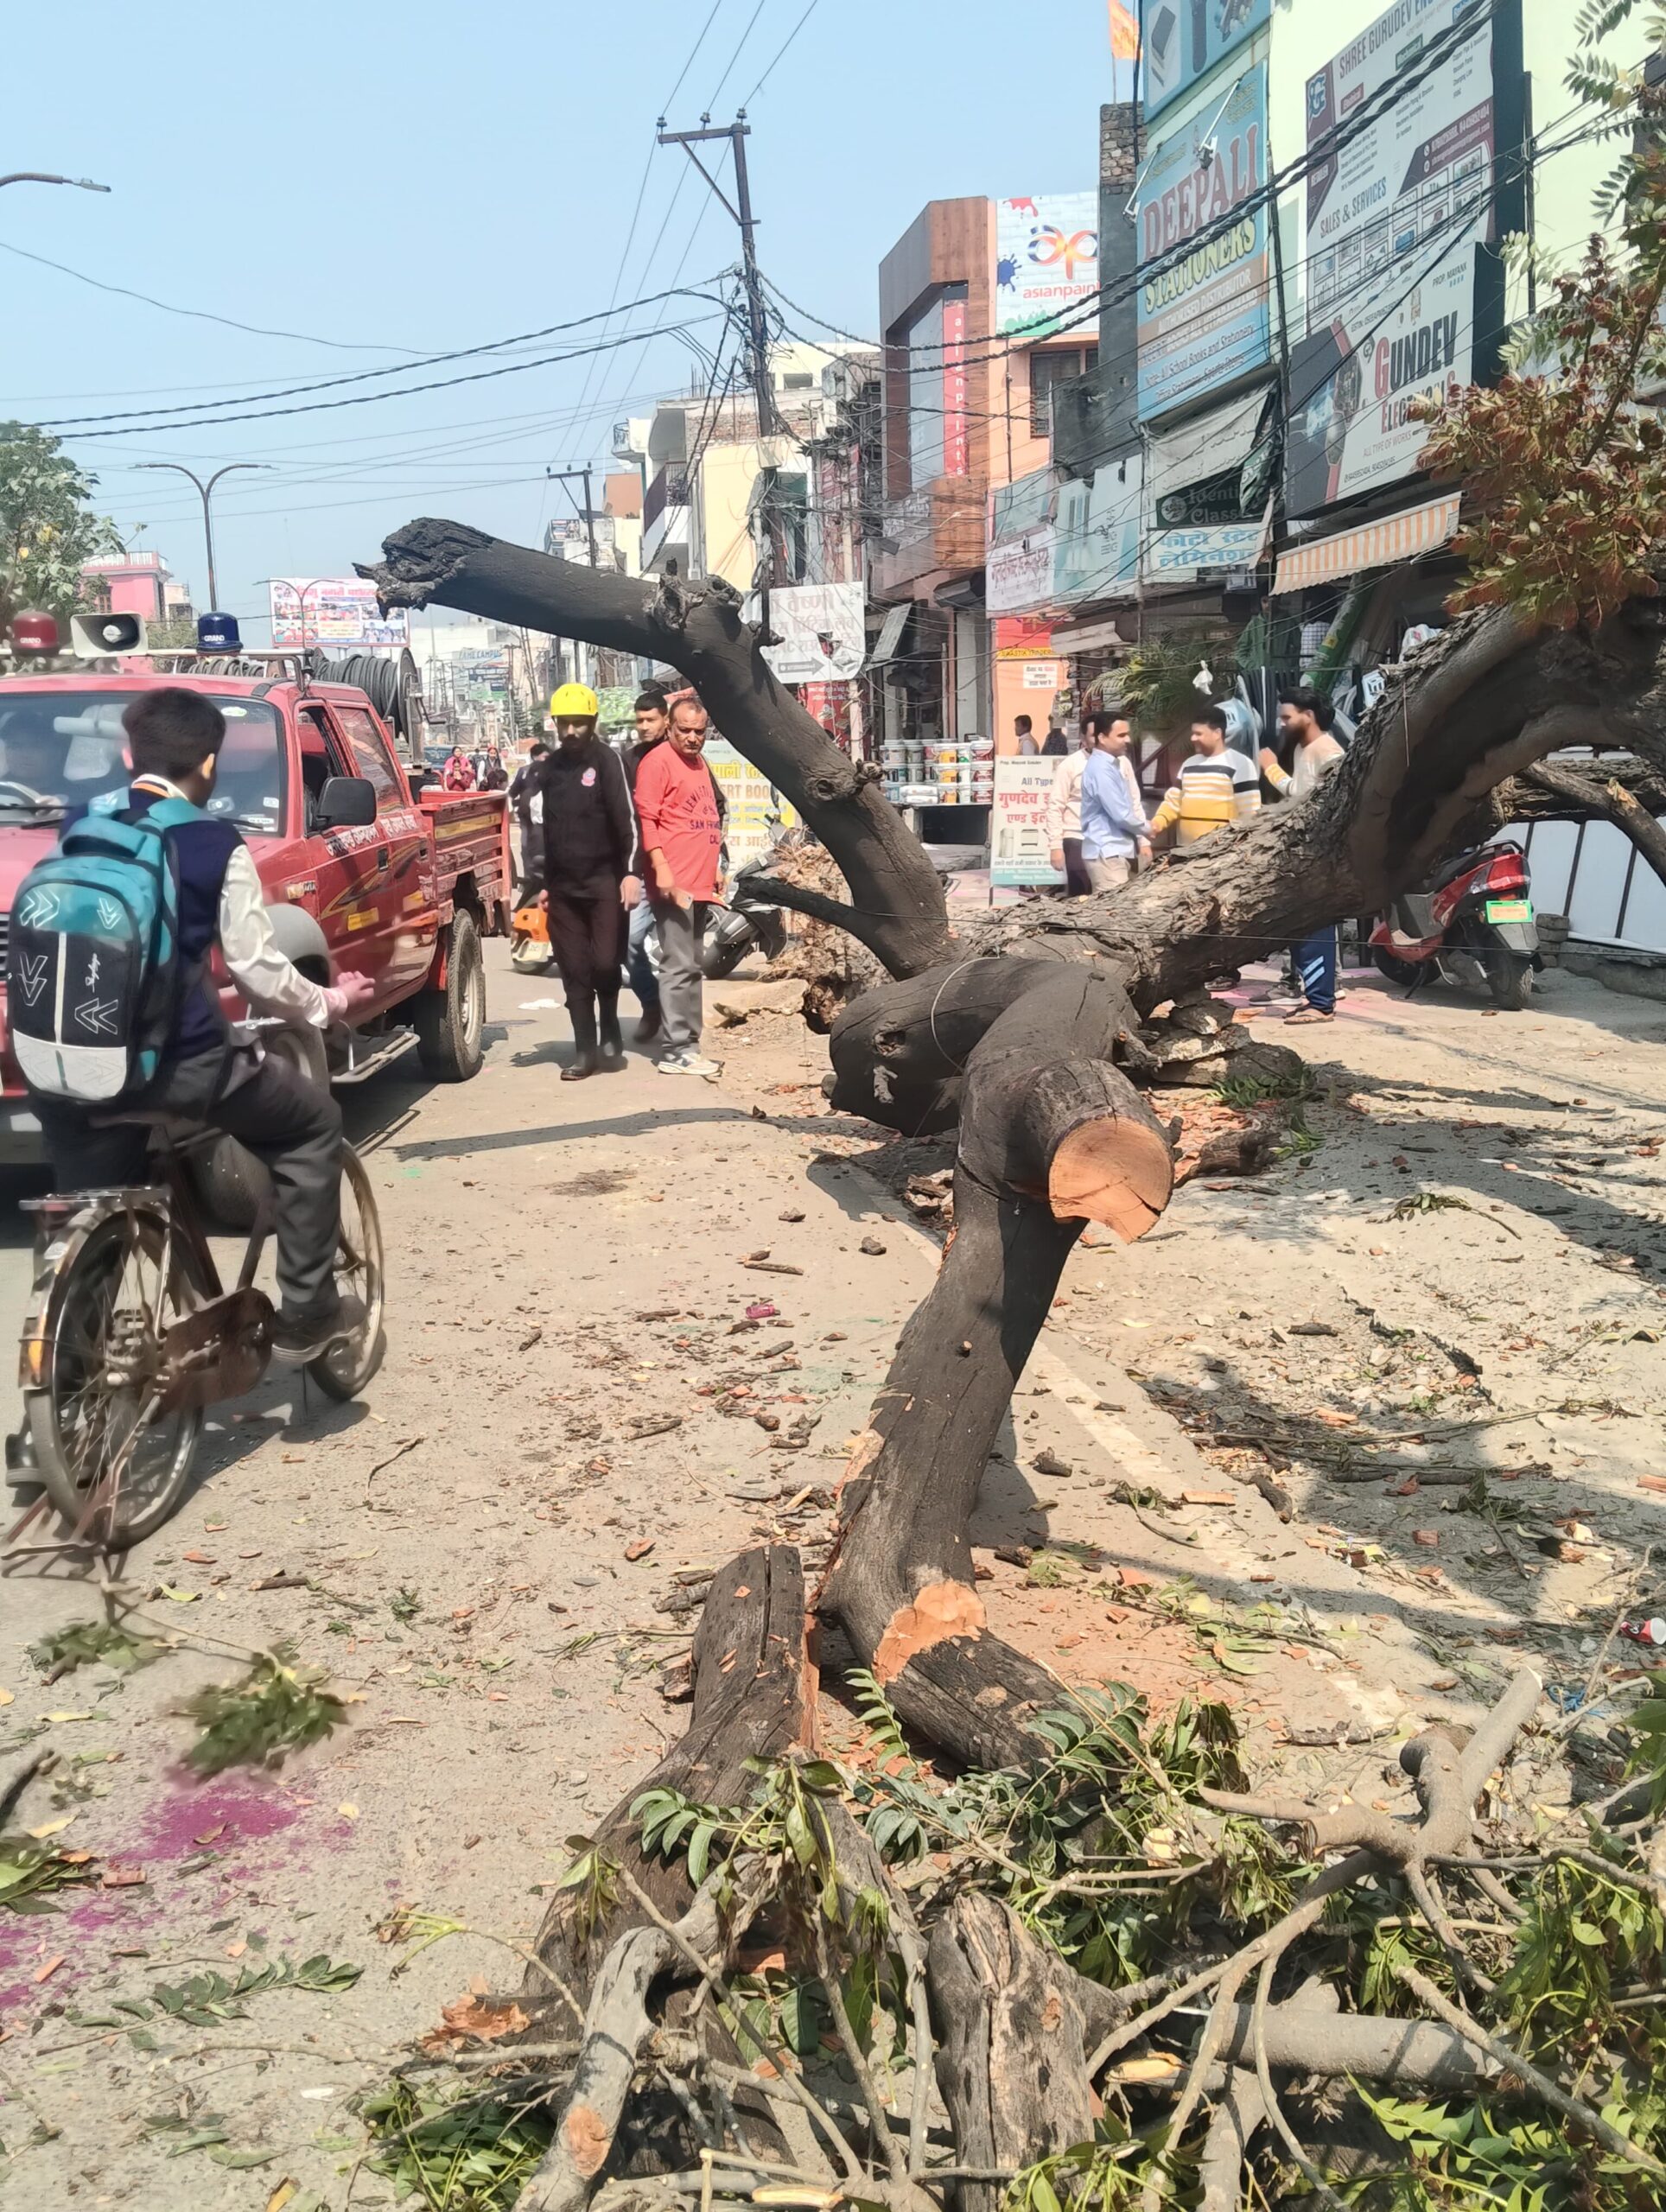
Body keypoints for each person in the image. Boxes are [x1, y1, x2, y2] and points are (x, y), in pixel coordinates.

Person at [29, 689, 374, 1356]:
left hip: (63, 1068)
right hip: (179, 1064)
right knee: (312, 1127)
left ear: (130, 755)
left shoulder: (79, 824)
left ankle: (70, 1391)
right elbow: (257, 972)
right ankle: (307, 1315)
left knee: (87, 1205)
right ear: (210, 765)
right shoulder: (214, 841)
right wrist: (329, 1003)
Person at [529, 683, 637, 1080]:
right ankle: (585, 1052)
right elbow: (549, 831)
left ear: (592, 722)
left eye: (579, 723)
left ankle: (609, 1017)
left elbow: (627, 821)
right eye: (565, 723)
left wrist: (630, 872)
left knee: (605, 962)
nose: (571, 731)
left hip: (605, 882)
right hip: (563, 890)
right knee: (574, 970)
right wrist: (544, 882)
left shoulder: (608, 761)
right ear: (555, 724)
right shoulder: (550, 768)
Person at [635, 695, 723, 1077]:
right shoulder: (657, 762)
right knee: (678, 964)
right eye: (684, 730)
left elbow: (707, 815)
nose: (692, 738)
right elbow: (647, 820)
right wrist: (662, 871)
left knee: (692, 965)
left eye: (699, 732)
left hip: (700, 880)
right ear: (670, 727)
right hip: (674, 881)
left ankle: (691, 1044)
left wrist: (717, 864)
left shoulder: (700, 763)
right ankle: (676, 1049)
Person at [1260, 687, 1346, 1025]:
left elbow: (1310, 799)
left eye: (1287, 717)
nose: (1282, 724)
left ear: (1307, 716)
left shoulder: (1327, 751)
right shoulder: (1303, 749)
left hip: (1320, 856)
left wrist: (1271, 770)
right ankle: (1314, 997)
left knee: (1316, 930)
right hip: (1303, 854)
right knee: (1302, 930)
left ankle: (1322, 1003)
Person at [621, 690, 671, 1043]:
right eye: (639, 720)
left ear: (666, 720)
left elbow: (714, 806)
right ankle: (651, 1003)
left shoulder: (685, 755)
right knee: (629, 942)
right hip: (641, 870)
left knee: (681, 951)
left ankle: (681, 1028)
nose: (644, 727)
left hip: (681, 868)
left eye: (650, 719)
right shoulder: (627, 761)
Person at [1148, 705, 1261, 848]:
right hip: (1186, 850)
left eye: (1198, 733)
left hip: (1221, 852)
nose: (1193, 738)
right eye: (1192, 733)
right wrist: (1158, 822)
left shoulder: (1241, 764)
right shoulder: (1188, 764)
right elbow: (1173, 801)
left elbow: (1249, 812)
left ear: (1217, 733)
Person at [1078, 711, 1153, 890]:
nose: (1127, 740)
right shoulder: (1101, 769)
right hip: (1106, 852)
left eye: (1127, 734)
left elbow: (1132, 802)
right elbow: (1121, 815)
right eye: (1121, 735)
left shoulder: (1113, 764)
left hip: (1114, 851)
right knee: (1110, 914)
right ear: (1102, 738)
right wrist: (1149, 828)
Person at [1046, 719, 1094, 894]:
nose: (1099, 739)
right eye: (1093, 735)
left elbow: (1131, 801)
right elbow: (1055, 806)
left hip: (1107, 842)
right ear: (1082, 737)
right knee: (1080, 893)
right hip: (1076, 837)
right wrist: (1055, 847)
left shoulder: (1119, 764)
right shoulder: (1071, 765)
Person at [508, 741, 549, 897]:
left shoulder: (554, 772)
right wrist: (511, 808)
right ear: (534, 757)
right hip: (526, 820)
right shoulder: (524, 772)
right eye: (544, 757)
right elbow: (512, 792)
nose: (547, 760)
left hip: (548, 819)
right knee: (526, 848)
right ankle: (529, 881)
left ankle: (546, 881)